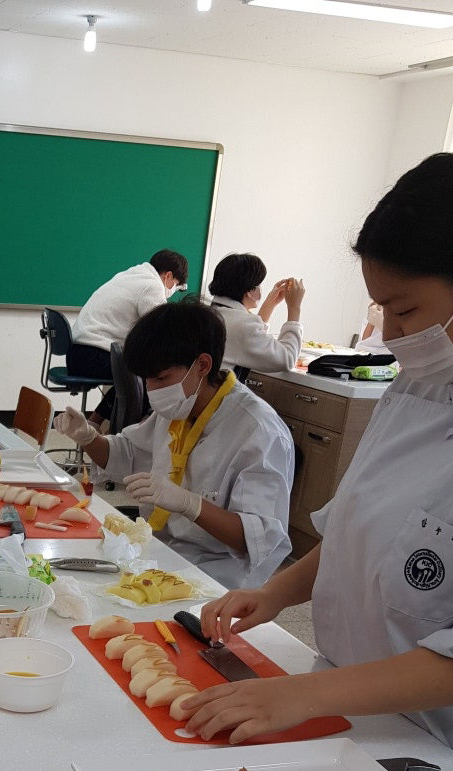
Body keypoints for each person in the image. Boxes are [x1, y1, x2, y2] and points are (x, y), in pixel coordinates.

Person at [182, 153, 453, 749]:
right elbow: (352, 535)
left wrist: (303, 696)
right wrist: (273, 594)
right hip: (342, 700)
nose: (390, 334)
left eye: (404, 309)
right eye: (381, 310)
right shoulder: (414, 390)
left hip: (430, 746)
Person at [56, 300, 293, 589]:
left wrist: (190, 504)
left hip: (217, 578)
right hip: (159, 553)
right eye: (147, 380)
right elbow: (125, 454)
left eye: (161, 378)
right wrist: (88, 437)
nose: (152, 390)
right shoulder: (179, 407)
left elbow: (258, 538)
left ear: (202, 365)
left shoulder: (259, 431)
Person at [68, 249, 189, 426]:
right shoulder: (152, 285)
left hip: (79, 354)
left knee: (135, 370)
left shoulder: (129, 275)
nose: (173, 291)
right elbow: (162, 331)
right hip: (94, 356)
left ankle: (94, 424)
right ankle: (123, 434)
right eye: (177, 285)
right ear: (168, 276)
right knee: (151, 377)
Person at [208, 253, 304, 375]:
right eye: (259, 285)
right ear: (249, 290)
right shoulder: (242, 325)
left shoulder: (210, 313)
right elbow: (287, 359)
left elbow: (252, 339)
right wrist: (294, 307)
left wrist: (270, 304)